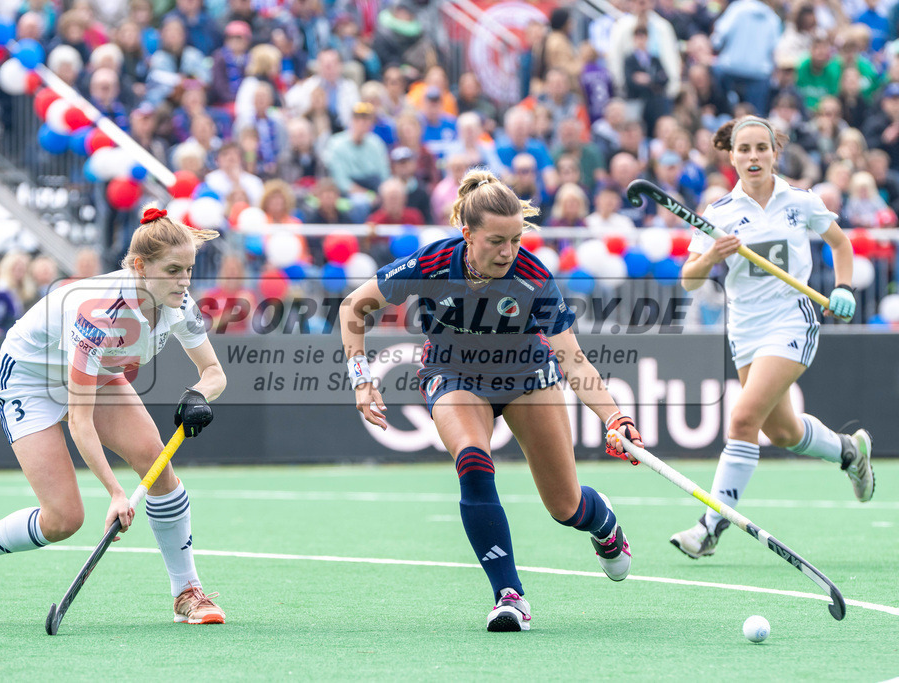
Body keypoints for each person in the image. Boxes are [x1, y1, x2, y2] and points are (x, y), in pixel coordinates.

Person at [338, 168, 643, 632]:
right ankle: (509, 595)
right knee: (473, 461)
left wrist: (614, 416)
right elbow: (353, 306)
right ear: (467, 234)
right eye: (497, 241)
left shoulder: (532, 277)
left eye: (517, 239)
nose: (509, 251)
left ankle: (602, 523)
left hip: (527, 378)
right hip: (454, 375)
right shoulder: (432, 264)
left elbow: (574, 362)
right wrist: (362, 378)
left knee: (566, 508)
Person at [0, 206, 228, 627]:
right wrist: (116, 492)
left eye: (189, 269)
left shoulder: (179, 303)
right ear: (140, 266)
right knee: (63, 519)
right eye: (174, 270)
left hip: (95, 374)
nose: (184, 281)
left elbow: (214, 374)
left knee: (157, 463)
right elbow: (80, 421)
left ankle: (188, 593)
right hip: (30, 380)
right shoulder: (99, 311)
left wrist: (199, 397)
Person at [670, 116, 874, 559]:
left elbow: (841, 244)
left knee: (743, 420)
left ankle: (710, 526)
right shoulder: (719, 213)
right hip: (744, 329)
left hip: (792, 320)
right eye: (744, 150)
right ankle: (847, 452)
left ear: (774, 153)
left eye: (761, 148)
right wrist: (711, 255)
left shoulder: (801, 201)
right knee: (781, 431)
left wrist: (842, 286)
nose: (753, 157)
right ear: (732, 156)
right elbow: (688, 279)